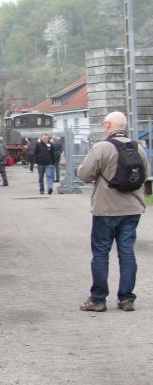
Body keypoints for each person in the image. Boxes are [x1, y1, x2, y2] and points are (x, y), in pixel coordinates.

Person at [76, 111, 148, 312]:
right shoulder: (138, 147)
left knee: (100, 253)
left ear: (108, 125)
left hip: (106, 210)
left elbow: (85, 175)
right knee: (127, 253)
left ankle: (98, 299)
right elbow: (145, 174)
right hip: (132, 209)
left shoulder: (101, 147)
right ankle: (126, 299)